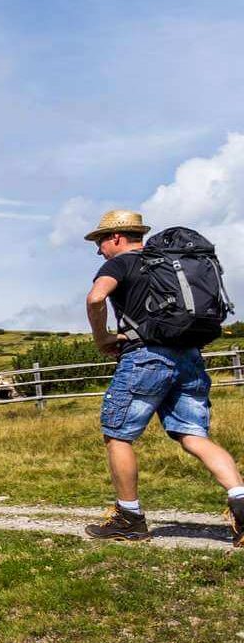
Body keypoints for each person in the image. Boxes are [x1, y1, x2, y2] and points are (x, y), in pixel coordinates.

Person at [82, 209, 244, 541]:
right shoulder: (170, 263)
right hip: (190, 357)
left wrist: (102, 339)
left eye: (99, 242)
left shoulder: (121, 263)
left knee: (118, 435)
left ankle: (129, 518)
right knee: (193, 435)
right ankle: (240, 498)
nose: (99, 250)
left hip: (145, 357)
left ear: (115, 237)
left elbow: (96, 297)